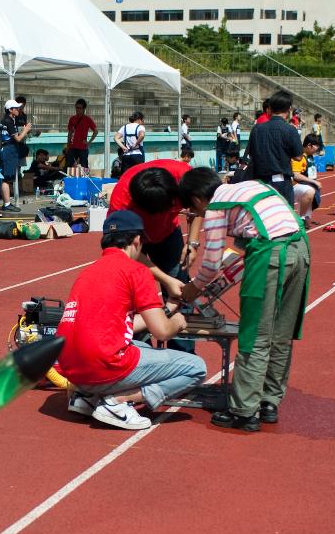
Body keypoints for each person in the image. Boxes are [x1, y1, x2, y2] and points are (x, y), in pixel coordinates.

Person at [178, 166, 310, 432]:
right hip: (301, 248)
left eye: (194, 212)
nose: (199, 216)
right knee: (281, 333)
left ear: (195, 200)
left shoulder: (216, 207)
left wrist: (193, 288)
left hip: (270, 255)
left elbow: (212, 263)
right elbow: (239, 247)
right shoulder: (252, 187)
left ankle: (244, 411)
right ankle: (268, 402)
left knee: (255, 334)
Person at [54, 209, 205, 431]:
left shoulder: (87, 272)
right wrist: (178, 322)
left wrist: (166, 309)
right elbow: (162, 332)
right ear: (136, 241)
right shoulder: (136, 271)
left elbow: (116, 325)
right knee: (196, 367)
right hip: (103, 367)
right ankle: (121, 401)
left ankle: (86, 395)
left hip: (70, 367)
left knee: (140, 345)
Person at [107, 158, 196, 303]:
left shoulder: (182, 174)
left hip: (168, 233)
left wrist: (193, 242)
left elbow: (198, 202)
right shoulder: (121, 204)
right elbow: (127, 251)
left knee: (178, 279)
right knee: (133, 287)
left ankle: (183, 317)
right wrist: (166, 280)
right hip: (136, 238)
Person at [247, 90, 302, 203]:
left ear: (270, 108)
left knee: (263, 217)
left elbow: (251, 153)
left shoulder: (257, 129)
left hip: (259, 183)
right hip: (281, 182)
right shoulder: (290, 130)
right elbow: (298, 156)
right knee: (284, 216)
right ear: (289, 109)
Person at [0, 98, 29, 213]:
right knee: (7, 178)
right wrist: (26, 130)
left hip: (7, 149)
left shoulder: (6, 120)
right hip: (9, 150)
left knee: (8, 178)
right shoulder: (9, 121)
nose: (18, 109)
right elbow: (18, 139)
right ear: (10, 110)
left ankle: (7, 202)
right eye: (16, 108)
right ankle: (7, 203)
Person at [290, 134, 323, 225]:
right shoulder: (299, 157)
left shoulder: (310, 156)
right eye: (316, 147)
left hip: (304, 184)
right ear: (309, 145)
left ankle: (306, 217)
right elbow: (295, 175)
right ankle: (301, 218)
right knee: (309, 191)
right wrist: (313, 181)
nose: (317, 149)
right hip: (293, 185)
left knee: (312, 190)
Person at [66, 98, 97, 178]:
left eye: (79, 108)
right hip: (72, 147)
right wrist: (68, 145)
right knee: (70, 166)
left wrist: (89, 142)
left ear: (84, 109)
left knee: (84, 167)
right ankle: (71, 182)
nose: (77, 110)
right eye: (76, 107)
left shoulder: (87, 119)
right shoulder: (72, 119)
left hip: (83, 147)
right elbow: (70, 132)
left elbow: (96, 131)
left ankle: (85, 183)